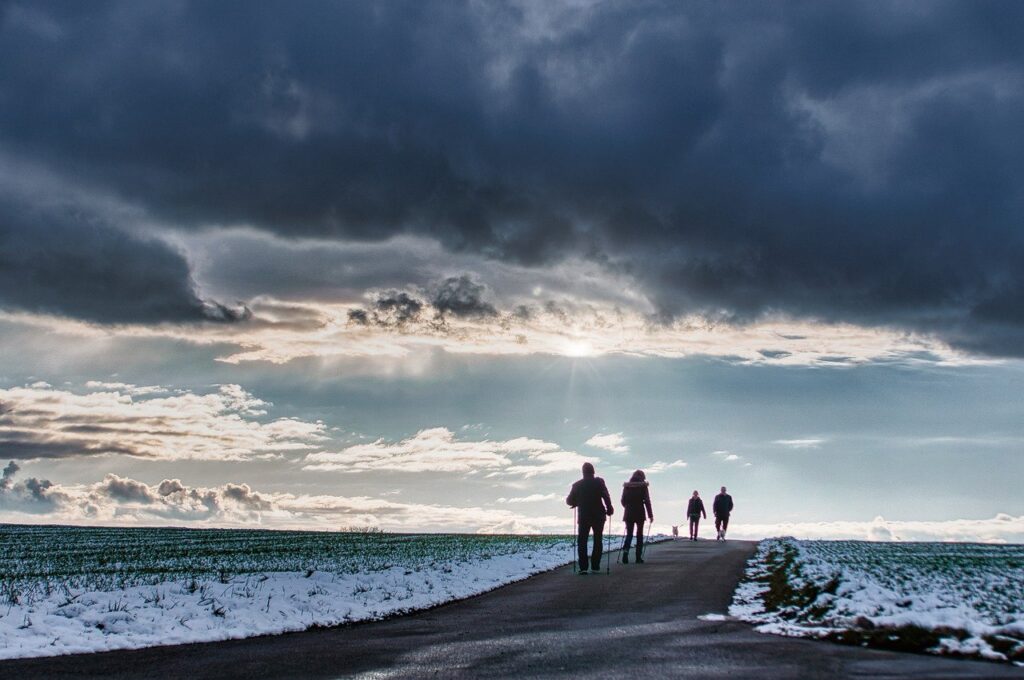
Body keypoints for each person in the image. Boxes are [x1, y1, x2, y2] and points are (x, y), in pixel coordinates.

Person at [566, 462, 614, 574]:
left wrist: (576, 501)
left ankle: (583, 567)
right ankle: (595, 566)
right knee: (598, 540)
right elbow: (606, 496)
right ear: (593, 471)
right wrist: (609, 508)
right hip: (599, 515)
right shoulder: (599, 482)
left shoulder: (577, 485)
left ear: (583, 472)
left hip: (584, 516)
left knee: (582, 541)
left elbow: (568, 501)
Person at [620, 470, 653, 564]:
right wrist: (650, 515)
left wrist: (627, 506)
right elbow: (647, 501)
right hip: (639, 512)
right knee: (639, 535)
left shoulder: (627, 486)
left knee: (629, 534)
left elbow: (622, 500)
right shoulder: (643, 486)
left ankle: (625, 554)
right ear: (642, 477)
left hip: (629, 512)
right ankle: (638, 557)